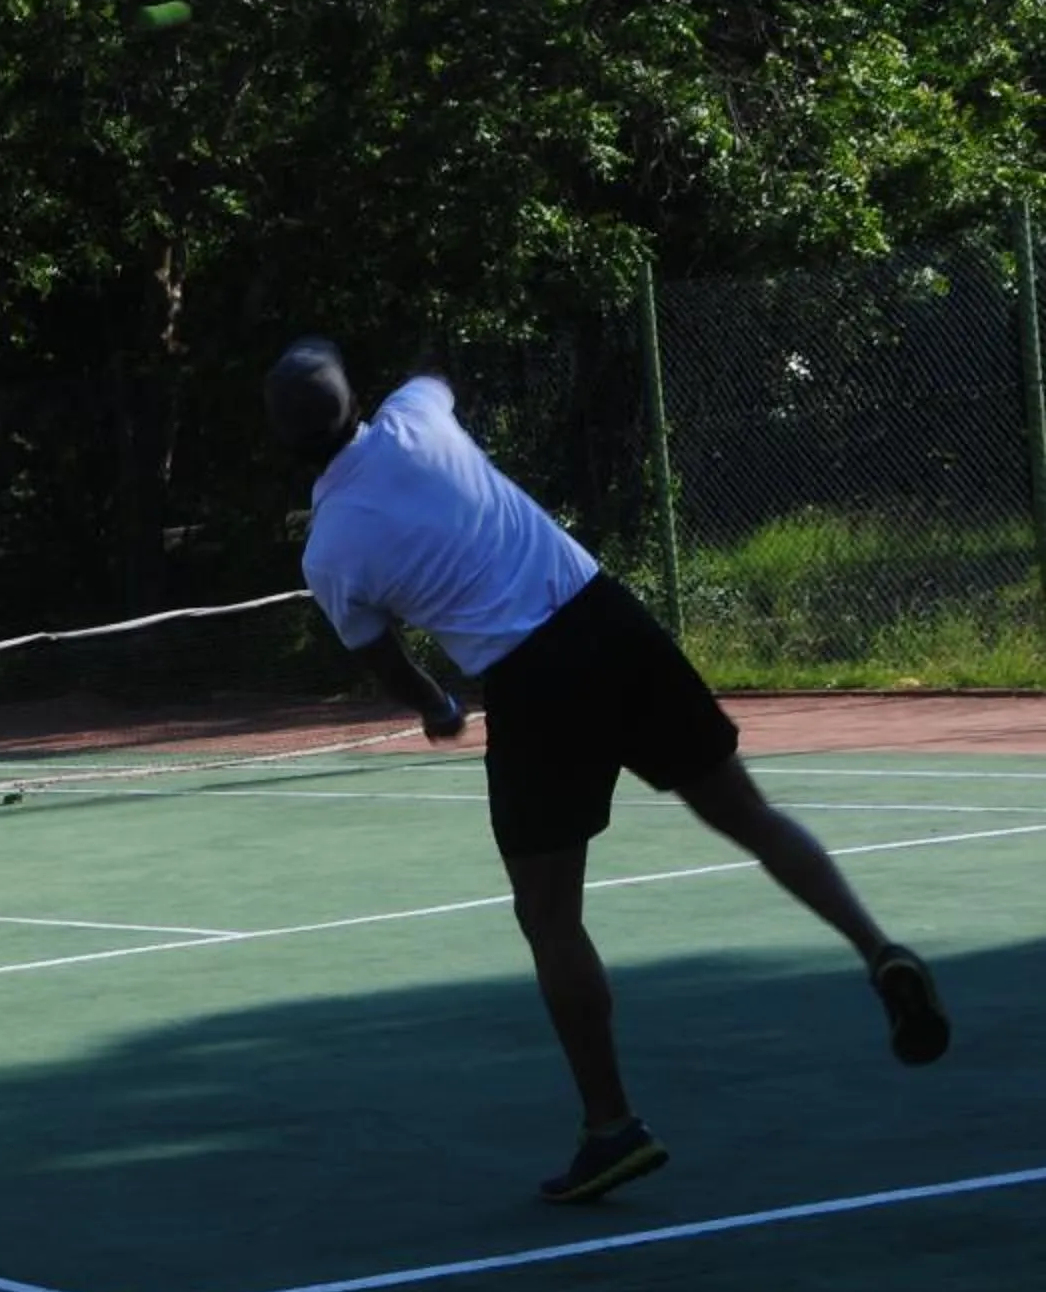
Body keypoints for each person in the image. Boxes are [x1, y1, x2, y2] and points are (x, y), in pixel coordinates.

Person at [264, 337, 948, 1205]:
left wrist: (437, 705)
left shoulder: (330, 548)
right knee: (746, 813)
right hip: (610, 618)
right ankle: (877, 948)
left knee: (549, 916)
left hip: (532, 682)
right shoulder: (416, 416)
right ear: (357, 401)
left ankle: (612, 1127)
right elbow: (438, 369)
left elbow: (382, 658)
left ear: (284, 445)